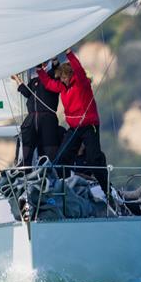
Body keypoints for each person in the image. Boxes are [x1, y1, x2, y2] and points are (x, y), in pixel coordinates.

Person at [37, 49, 107, 190]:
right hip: (75, 128)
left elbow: (79, 70)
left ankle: (106, 188)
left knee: (94, 159)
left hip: (89, 126)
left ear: (70, 75)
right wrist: (39, 70)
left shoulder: (82, 84)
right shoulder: (63, 87)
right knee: (62, 157)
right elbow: (49, 84)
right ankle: (64, 188)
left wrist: (69, 53)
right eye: (61, 78)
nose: (62, 80)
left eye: (63, 77)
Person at [11, 61, 62, 165]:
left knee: (50, 152)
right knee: (26, 152)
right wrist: (16, 78)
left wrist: (54, 60)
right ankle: (25, 172)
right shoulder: (34, 80)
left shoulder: (52, 76)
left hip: (47, 117)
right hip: (32, 118)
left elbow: (56, 67)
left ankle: (53, 173)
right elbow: (26, 92)